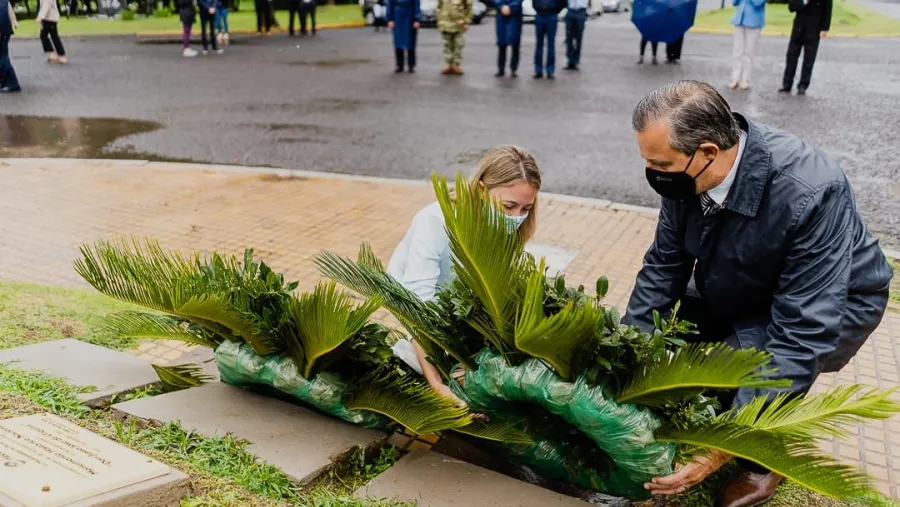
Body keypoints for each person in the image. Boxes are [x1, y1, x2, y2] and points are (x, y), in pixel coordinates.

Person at [625, 81, 893, 507]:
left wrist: (718, 446)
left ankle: (759, 460)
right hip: (741, 275)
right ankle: (736, 413)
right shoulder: (683, 176)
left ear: (709, 152)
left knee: (749, 363)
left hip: (837, 298)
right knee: (697, 358)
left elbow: (800, 332)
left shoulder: (812, 191)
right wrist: (627, 360)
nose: (654, 173)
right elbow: (664, 266)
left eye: (661, 163)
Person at [388, 145, 542, 407]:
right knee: (421, 364)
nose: (517, 217)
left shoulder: (507, 226)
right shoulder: (436, 221)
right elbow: (417, 304)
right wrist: (437, 384)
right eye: (509, 206)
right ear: (482, 190)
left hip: (458, 307)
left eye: (525, 208)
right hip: (417, 302)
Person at [779, 0, 831, 95]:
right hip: (798, 28)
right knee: (791, 56)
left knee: (809, 59)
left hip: (814, 29)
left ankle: (803, 85)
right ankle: (787, 84)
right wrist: (803, 1)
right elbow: (791, 7)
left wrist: (825, 27)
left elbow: (828, 7)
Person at [729, 0, 764, 90]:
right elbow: (735, 2)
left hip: (754, 22)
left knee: (748, 53)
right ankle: (735, 78)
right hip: (739, 20)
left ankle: (745, 79)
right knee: (737, 51)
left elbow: (758, 3)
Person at [437, 0, 471, 75]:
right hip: (445, 23)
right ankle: (448, 65)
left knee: (458, 44)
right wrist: (439, 21)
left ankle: (456, 65)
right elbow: (439, 7)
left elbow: (468, 7)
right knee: (447, 45)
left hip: (458, 23)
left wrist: (466, 21)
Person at [532, 0, 564, 79]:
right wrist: (538, 8)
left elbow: (562, 2)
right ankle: (538, 70)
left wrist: (555, 10)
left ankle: (550, 70)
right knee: (539, 44)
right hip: (540, 15)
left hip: (552, 15)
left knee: (551, 45)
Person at [387, 0, 420, 73]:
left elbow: (416, 5)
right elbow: (389, 5)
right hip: (397, 17)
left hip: (410, 17)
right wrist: (390, 19)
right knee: (398, 42)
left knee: (411, 42)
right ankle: (399, 65)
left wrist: (417, 19)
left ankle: (411, 65)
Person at [494, 0, 522, 77]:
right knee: (502, 44)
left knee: (515, 43)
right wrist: (501, 6)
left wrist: (511, 7)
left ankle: (514, 69)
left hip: (515, 16)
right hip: (501, 15)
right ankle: (501, 69)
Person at [38, 0, 67, 64]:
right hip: (46, 18)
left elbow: (47, 5)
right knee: (43, 35)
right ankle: (52, 53)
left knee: (54, 36)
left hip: (51, 18)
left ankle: (62, 55)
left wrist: (40, 16)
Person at [0, 0, 19, 93]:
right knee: (2, 56)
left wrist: (14, 21)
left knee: (3, 57)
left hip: (2, 31)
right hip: (5, 31)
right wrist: (14, 21)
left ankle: (13, 84)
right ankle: (3, 81)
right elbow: (9, 8)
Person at [563, 0, 587, 71]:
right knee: (569, 37)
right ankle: (570, 60)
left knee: (578, 38)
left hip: (581, 11)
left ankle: (576, 60)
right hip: (570, 11)